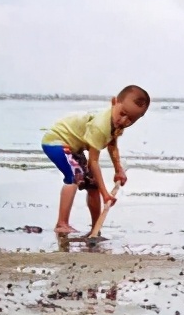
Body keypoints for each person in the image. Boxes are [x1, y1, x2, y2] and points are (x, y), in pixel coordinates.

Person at [41, 85, 150, 234]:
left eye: (131, 120)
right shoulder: (100, 126)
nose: (124, 121)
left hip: (75, 148)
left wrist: (119, 170)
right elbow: (93, 162)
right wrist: (105, 193)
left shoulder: (118, 124)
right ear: (114, 102)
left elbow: (112, 146)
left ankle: (95, 227)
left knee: (92, 185)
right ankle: (62, 223)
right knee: (72, 178)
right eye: (122, 114)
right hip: (56, 141)